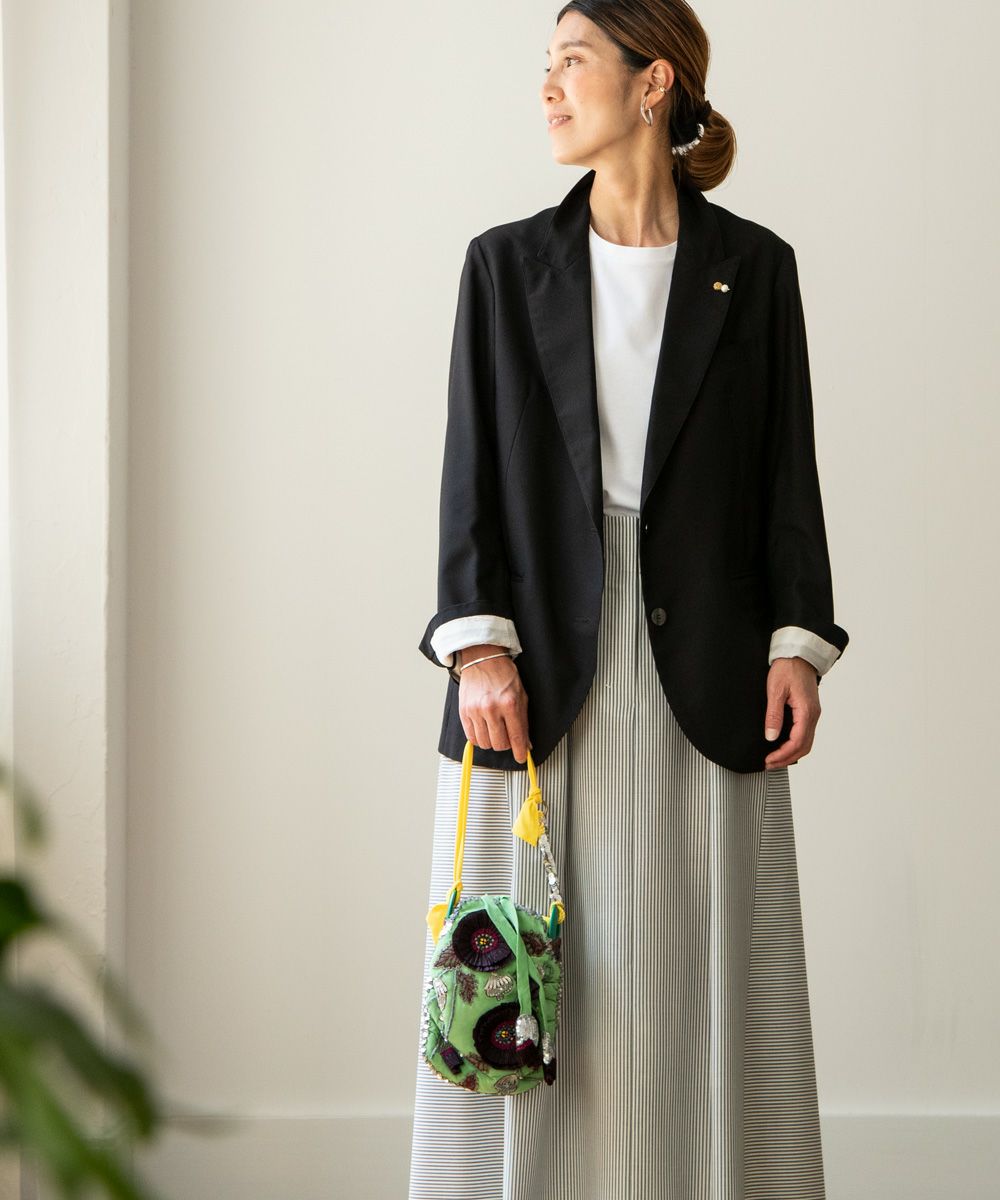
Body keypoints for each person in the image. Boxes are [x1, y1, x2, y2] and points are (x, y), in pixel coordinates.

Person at [408, 3, 848, 1197]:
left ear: (653, 84)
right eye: (544, 66)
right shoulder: (506, 265)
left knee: (699, 963)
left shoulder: (755, 268)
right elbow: (468, 477)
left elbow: (786, 477)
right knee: (529, 969)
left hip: (707, 662)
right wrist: (475, 649)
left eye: (572, 62)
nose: (547, 88)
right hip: (534, 667)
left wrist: (797, 644)